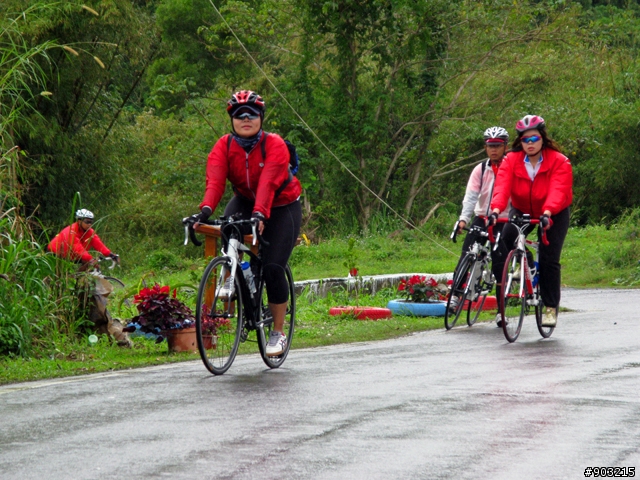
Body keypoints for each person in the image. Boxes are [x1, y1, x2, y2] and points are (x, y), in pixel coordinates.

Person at [196, 90, 302, 356]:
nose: (246, 118)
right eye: (239, 115)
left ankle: (277, 332)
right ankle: (234, 277)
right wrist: (204, 211)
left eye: (252, 114)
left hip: (281, 205)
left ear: (261, 118)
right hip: (244, 199)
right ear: (232, 120)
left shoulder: (274, 144)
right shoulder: (224, 145)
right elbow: (216, 181)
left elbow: (268, 184)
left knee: (274, 266)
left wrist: (260, 215)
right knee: (227, 228)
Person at [489, 114, 573, 327]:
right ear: (520, 142)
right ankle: (528, 264)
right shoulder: (511, 159)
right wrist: (496, 209)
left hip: (554, 212)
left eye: (534, 139)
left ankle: (550, 308)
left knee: (549, 259)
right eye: (525, 140)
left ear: (543, 138)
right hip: (522, 208)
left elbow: (558, 190)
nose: (530, 144)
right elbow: (502, 187)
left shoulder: (559, 161)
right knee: (507, 237)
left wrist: (547, 212)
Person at [450, 126, 510, 326]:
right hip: (482, 216)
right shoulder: (481, 169)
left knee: (500, 260)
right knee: (467, 251)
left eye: (498, 146)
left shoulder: (511, 167)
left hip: (504, 218)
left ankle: (501, 311)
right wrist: (463, 220)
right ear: (485, 147)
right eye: (490, 146)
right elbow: (471, 197)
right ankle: (455, 296)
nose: (494, 149)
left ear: (505, 147)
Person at [48, 209, 119, 269]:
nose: (89, 224)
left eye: (91, 222)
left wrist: (111, 255)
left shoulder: (90, 232)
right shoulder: (71, 230)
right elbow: (77, 248)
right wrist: (90, 259)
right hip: (56, 253)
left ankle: (78, 282)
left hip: (71, 256)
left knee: (86, 264)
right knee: (59, 277)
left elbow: (99, 245)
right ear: (79, 221)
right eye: (87, 222)